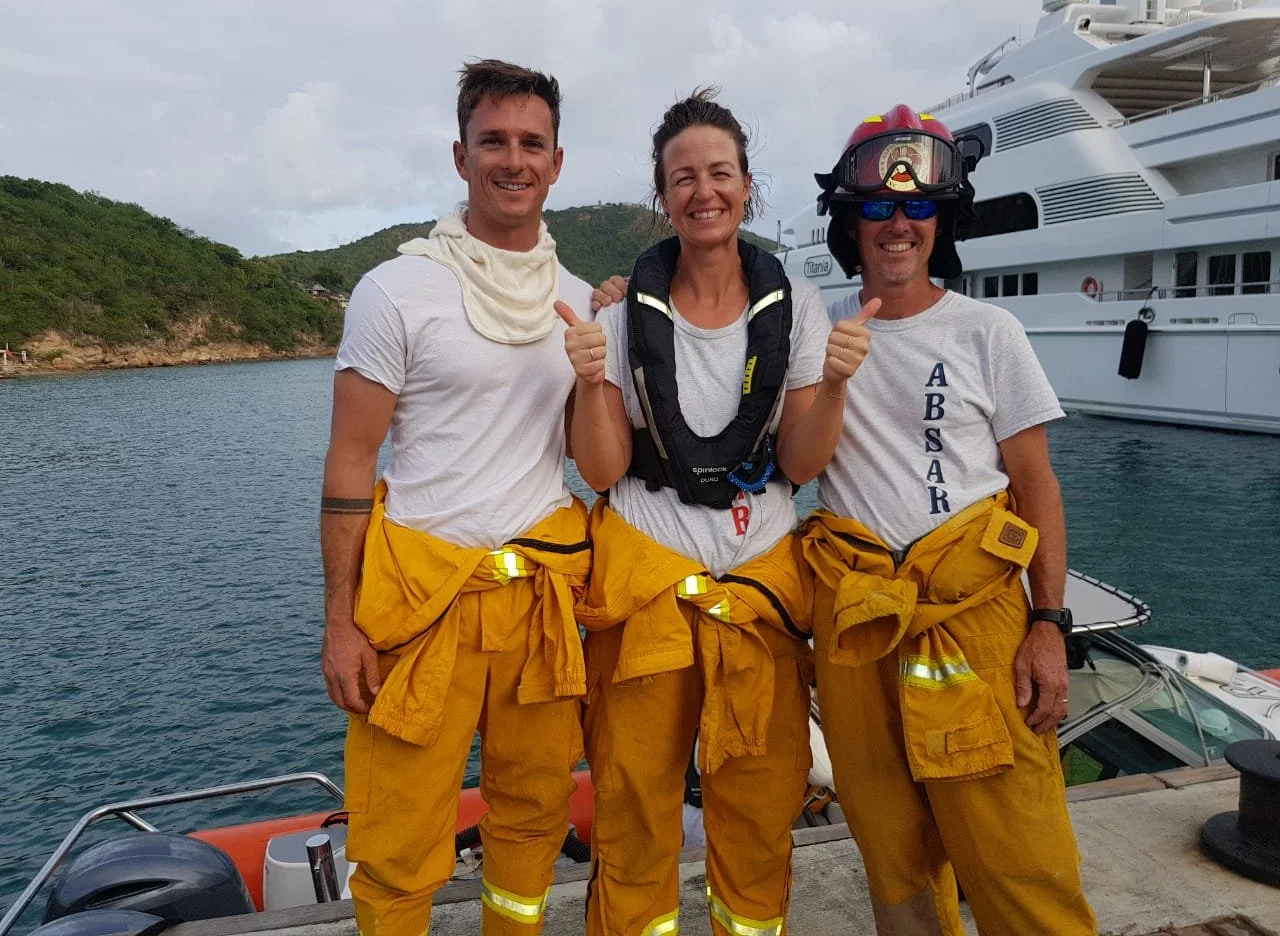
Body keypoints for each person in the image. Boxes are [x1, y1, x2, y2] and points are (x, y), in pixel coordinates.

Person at [557, 88, 876, 936]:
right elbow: (602, 468)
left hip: (757, 591)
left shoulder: (798, 309)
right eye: (683, 177)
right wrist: (592, 378)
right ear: (661, 196)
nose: (704, 191)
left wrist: (837, 383)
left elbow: (802, 463)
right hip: (648, 584)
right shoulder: (619, 320)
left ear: (747, 187)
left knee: (759, 808)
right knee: (631, 808)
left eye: (720, 173)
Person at [802, 104, 1096, 935]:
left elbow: (1035, 486)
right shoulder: (814, 332)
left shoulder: (988, 331)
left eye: (919, 207)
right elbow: (791, 458)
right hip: (860, 627)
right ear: (850, 224)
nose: (898, 224)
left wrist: (1047, 625)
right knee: (891, 854)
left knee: (1019, 849)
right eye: (878, 209)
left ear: (943, 221)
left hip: (975, 621)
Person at [319, 59, 596, 936]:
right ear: (460, 155)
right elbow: (351, 462)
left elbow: (598, 456)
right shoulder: (395, 290)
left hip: (539, 598)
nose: (511, 160)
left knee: (531, 818)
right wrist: (339, 619)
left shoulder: (583, 304)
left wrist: (605, 354)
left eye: (530, 143)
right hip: (420, 598)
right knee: (398, 836)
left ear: (557, 163)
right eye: (493, 142)